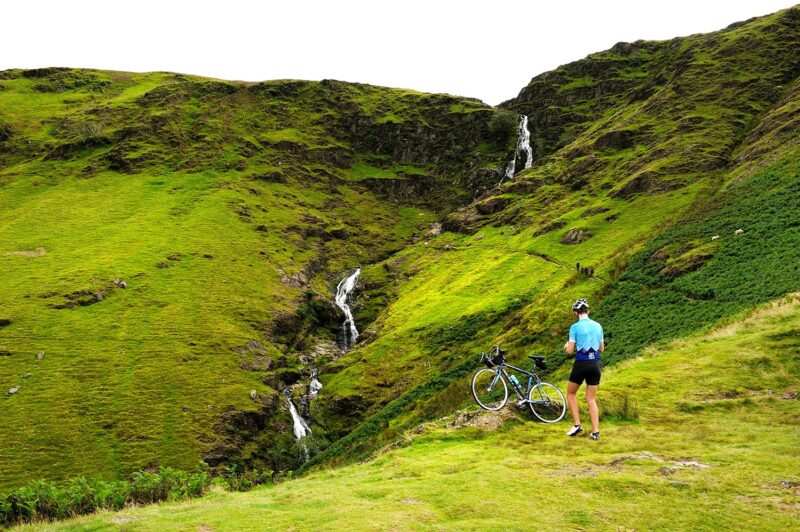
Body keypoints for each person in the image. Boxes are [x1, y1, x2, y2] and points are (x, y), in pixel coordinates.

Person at [563, 298, 603, 440]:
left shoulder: (575, 327)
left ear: (576, 313)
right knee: (591, 399)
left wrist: (567, 345)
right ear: (588, 311)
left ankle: (577, 425)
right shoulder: (598, 326)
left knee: (571, 394)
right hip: (595, 364)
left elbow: (569, 351)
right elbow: (601, 348)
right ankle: (596, 432)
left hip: (581, 364)